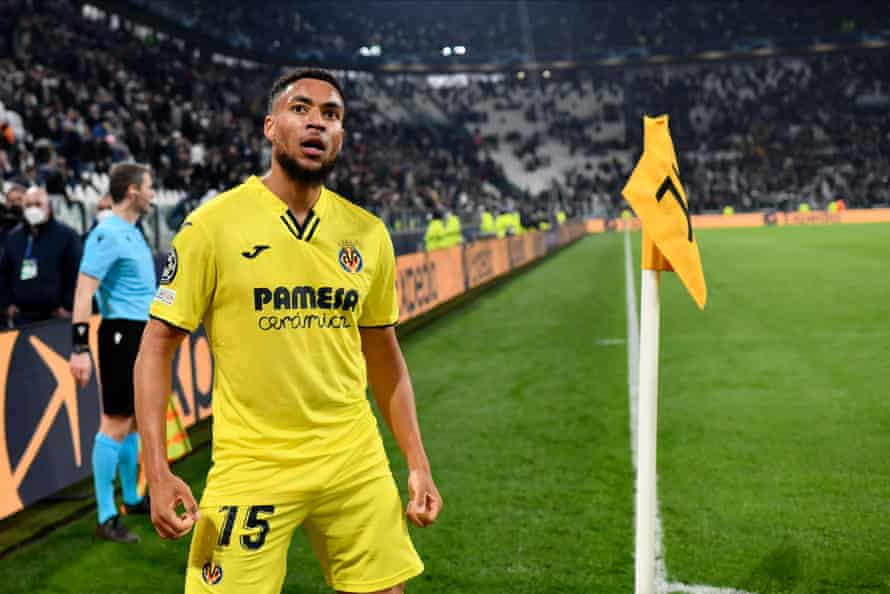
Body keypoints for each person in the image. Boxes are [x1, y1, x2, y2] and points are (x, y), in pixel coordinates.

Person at [135, 68, 442, 594]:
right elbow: (155, 348)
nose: (317, 122)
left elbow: (385, 355)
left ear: (341, 135)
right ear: (271, 126)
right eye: (301, 109)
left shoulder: (368, 234)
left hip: (353, 457)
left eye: (331, 114)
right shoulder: (212, 226)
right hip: (252, 463)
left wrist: (417, 462)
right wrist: (157, 469)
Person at [69, 162, 157, 543]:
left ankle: (132, 497)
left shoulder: (133, 231)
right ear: (133, 190)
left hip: (141, 333)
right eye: (149, 187)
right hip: (120, 333)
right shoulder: (106, 233)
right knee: (115, 421)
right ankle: (106, 515)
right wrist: (79, 348)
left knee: (133, 420)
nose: (153, 194)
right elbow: (83, 292)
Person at [0, 186, 81, 327]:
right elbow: (4, 273)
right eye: (28, 205)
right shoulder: (13, 237)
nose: (33, 209)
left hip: (56, 317)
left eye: (38, 204)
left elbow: (76, 273)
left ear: (48, 207)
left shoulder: (67, 236)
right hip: (22, 317)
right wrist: (8, 304)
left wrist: (68, 305)